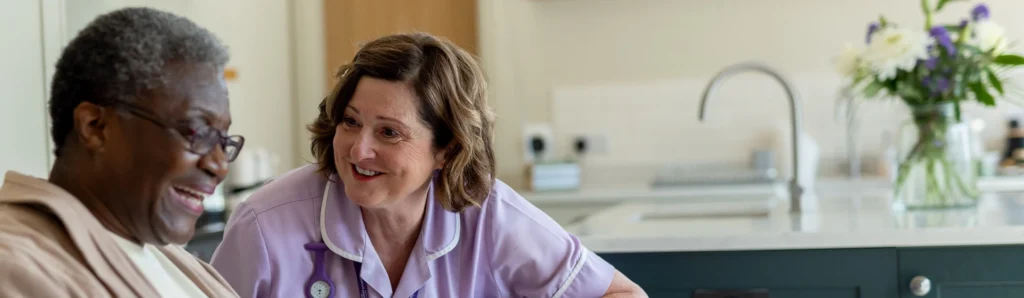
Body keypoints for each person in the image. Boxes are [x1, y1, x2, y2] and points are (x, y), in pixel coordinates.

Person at [209, 32, 647, 297]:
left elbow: (620, 294)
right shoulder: (263, 225)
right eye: (350, 122)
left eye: (389, 132)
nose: (359, 150)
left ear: (448, 150)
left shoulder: (490, 217)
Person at [0, 7, 243, 297]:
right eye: (197, 132)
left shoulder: (166, 258)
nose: (219, 166)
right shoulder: (18, 266)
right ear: (95, 127)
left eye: (223, 141)